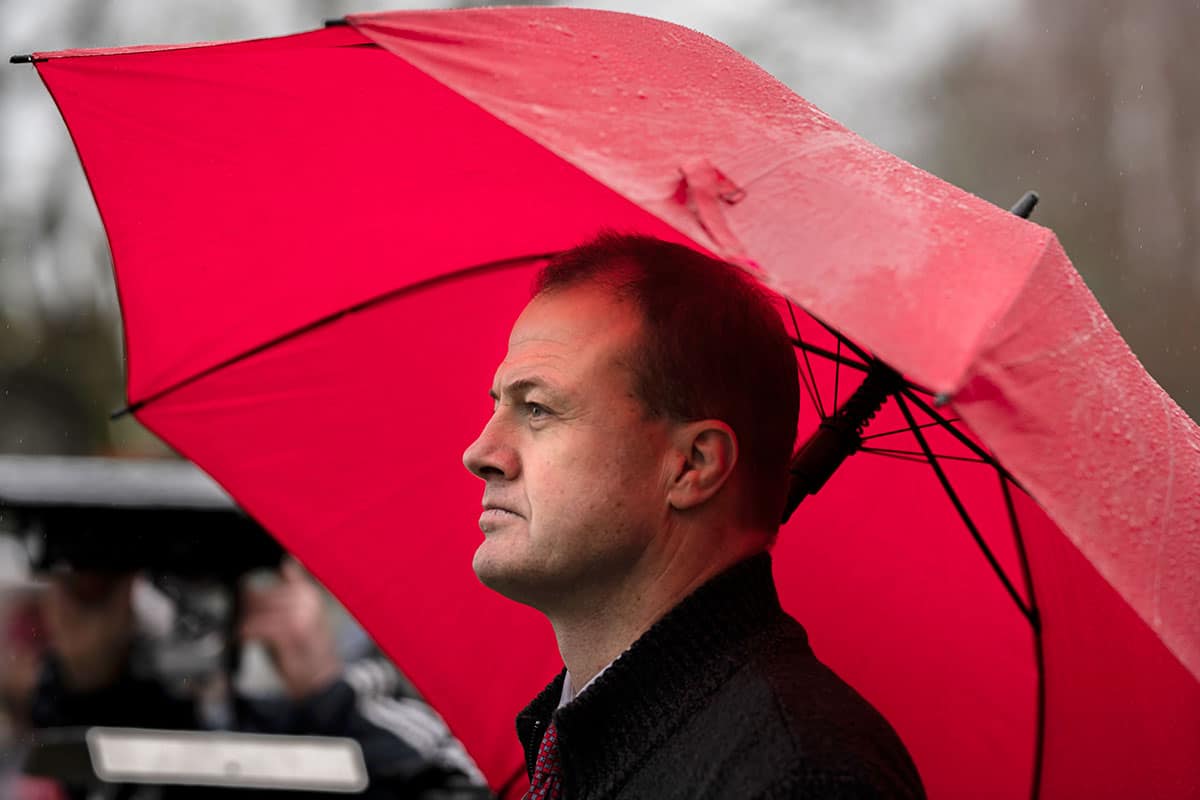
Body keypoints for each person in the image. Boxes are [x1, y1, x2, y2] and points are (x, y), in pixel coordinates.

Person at [462, 233, 925, 799]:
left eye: (537, 408)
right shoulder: (587, 742)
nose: (481, 453)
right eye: (498, 404)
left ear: (692, 465)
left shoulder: (799, 777)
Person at [28, 562, 491, 799]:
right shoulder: (130, 725)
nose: (191, 610)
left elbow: (458, 782)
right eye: (170, 582)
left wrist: (325, 690)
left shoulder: (344, 715)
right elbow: (74, 768)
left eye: (212, 582)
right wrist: (87, 681)